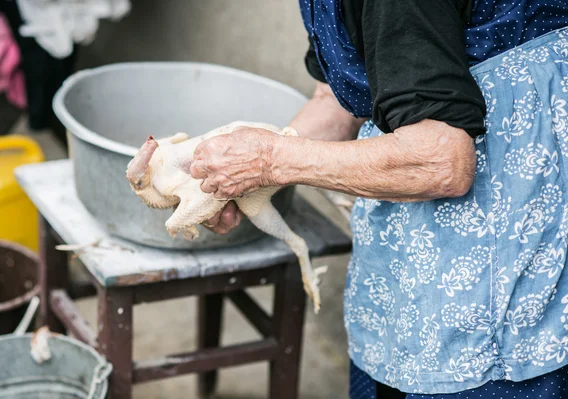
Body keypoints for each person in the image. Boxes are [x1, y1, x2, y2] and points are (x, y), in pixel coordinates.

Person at [190, 1, 568, 398]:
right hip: (414, 221)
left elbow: (442, 161)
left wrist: (270, 161)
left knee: (480, 370)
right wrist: (244, 178)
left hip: (504, 222)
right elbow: (337, 98)